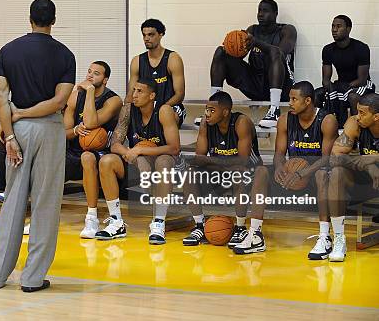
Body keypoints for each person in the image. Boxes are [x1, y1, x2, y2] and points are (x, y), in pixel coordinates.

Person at [0, 0, 75, 293]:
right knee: (45, 203)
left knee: (12, 200)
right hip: (49, 129)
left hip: (18, 130)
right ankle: (33, 279)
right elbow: (59, 102)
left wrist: (9, 134)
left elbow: (0, 96)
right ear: (54, 19)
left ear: (30, 18)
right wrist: (24, 114)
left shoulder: (8, 51)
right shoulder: (65, 55)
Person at [96, 78, 182, 244]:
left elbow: (174, 148)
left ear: (152, 96)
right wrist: (133, 155)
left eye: (139, 91)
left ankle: (158, 222)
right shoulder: (128, 110)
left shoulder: (164, 111)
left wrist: (141, 150)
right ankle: (116, 221)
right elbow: (114, 144)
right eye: (133, 90)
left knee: (162, 162)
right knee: (106, 161)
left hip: (164, 165)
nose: (133, 95)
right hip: (138, 165)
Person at [183, 91, 269, 254]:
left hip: (249, 174)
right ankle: (199, 225)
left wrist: (211, 161)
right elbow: (200, 157)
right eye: (206, 110)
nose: (207, 114)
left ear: (225, 112)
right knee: (190, 173)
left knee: (238, 172)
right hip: (220, 173)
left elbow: (243, 161)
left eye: (212, 111)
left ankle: (240, 227)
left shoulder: (241, 122)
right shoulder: (205, 124)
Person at [273, 81, 338, 260]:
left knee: (321, 174)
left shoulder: (327, 121)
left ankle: (325, 236)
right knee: (262, 173)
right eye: (289, 99)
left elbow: (327, 158)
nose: (290, 103)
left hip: (317, 175)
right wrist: (279, 166)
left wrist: (302, 172)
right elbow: (279, 152)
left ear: (308, 101)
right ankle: (253, 232)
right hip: (294, 177)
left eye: (294, 99)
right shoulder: (285, 120)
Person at [207, 0, 297, 128]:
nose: (260, 14)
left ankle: (274, 110)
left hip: (282, 87)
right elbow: (239, 56)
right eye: (259, 10)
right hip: (256, 84)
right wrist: (231, 47)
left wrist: (256, 43)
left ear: (275, 13)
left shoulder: (287, 30)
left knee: (276, 53)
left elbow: (280, 53)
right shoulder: (252, 30)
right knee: (220, 52)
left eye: (265, 11)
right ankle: (214, 105)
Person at [63, 61, 122, 238]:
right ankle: (39, 217)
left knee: (88, 156)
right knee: (46, 158)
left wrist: (89, 92)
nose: (90, 76)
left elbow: (90, 123)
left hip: (101, 152)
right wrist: (74, 130)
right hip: (74, 150)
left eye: (96, 73)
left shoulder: (113, 100)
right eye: (89, 72)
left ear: (105, 80)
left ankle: (92, 217)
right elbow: (63, 133)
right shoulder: (74, 97)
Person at [328, 92, 379, 262]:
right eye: (357, 111)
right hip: (365, 182)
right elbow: (335, 156)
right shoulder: (354, 124)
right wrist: (368, 165)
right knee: (337, 173)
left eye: (363, 113)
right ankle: (339, 239)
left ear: (376, 116)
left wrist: (375, 158)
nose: (357, 117)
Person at [318, 15, 375, 127]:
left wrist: (343, 88)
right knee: (316, 95)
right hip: (341, 84)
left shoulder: (361, 48)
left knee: (353, 97)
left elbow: (362, 80)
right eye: (333, 26)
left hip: (361, 85)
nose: (334, 30)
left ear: (348, 29)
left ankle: (357, 130)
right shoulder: (328, 49)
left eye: (338, 26)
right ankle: (330, 129)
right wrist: (330, 88)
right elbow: (325, 80)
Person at [127, 19, 186, 126]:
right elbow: (131, 93)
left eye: (151, 35)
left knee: (164, 116)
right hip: (146, 107)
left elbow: (179, 94)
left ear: (161, 34)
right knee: (125, 114)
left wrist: (158, 110)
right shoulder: (137, 61)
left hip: (170, 106)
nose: (146, 38)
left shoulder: (173, 59)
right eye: (144, 35)